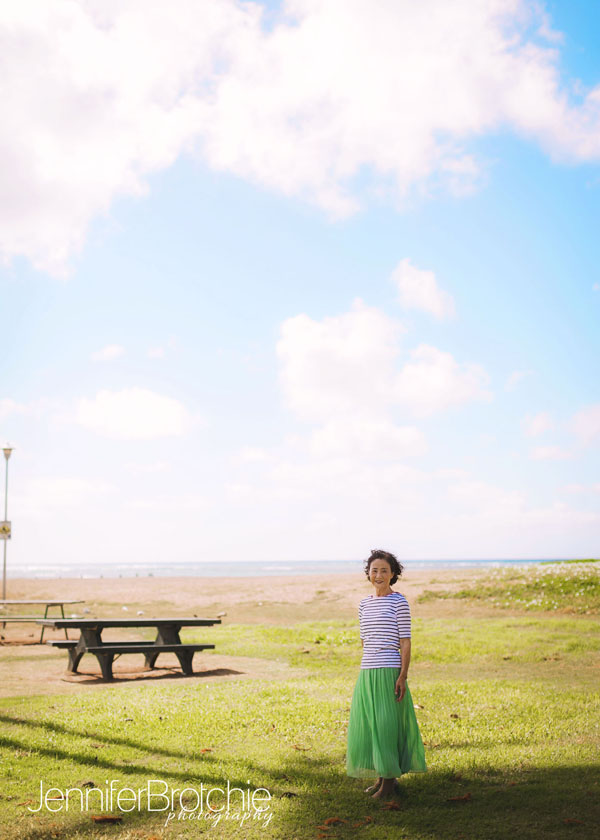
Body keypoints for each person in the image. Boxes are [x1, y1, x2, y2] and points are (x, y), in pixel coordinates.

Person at [346, 549, 427, 798]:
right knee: (372, 725)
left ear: (393, 574)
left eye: (384, 570)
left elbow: (405, 642)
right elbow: (365, 641)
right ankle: (382, 777)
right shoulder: (364, 604)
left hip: (390, 670)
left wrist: (402, 675)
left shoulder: (399, 602)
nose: (379, 574)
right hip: (367, 671)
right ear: (368, 574)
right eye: (374, 570)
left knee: (386, 725)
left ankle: (390, 784)